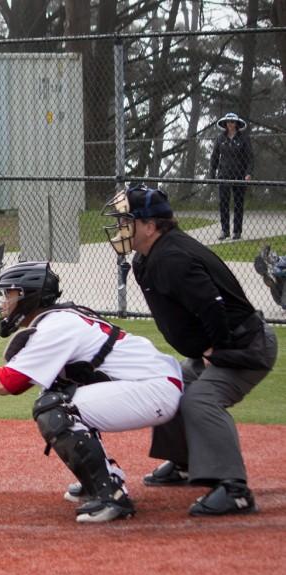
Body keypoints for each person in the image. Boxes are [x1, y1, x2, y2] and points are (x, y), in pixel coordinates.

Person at [0, 261, 183, 523]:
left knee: (55, 408)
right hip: (150, 383)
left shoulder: (54, 328)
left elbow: (6, 385)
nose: (3, 304)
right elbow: (17, 378)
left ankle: (111, 494)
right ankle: (100, 479)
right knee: (58, 397)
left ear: (27, 296)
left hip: (154, 388)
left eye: (8, 295)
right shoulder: (56, 321)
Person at [102, 184, 277, 516]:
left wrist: (218, 352)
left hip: (244, 345)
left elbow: (213, 305)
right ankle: (185, 462)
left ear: (150, 226)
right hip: (223, 344)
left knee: (200, 398)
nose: (120, 227)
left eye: (127, 220)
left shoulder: (171, 257)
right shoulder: (147, 257)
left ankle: (234, 489)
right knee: (169, 379)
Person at [209, 112, 253, 241]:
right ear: (225, 123)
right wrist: (212, 172)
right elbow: (214, 157)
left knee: (238, 203)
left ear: (237, 124)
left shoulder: (244, 138)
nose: (230, 124)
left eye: (232, 122)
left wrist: (248, 173)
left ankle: (237, 231)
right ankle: (225, 230)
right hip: (224, 175)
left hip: (239, 175)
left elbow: (250, 158)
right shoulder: (220, 138)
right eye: (228, 122)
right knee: (223, 203)